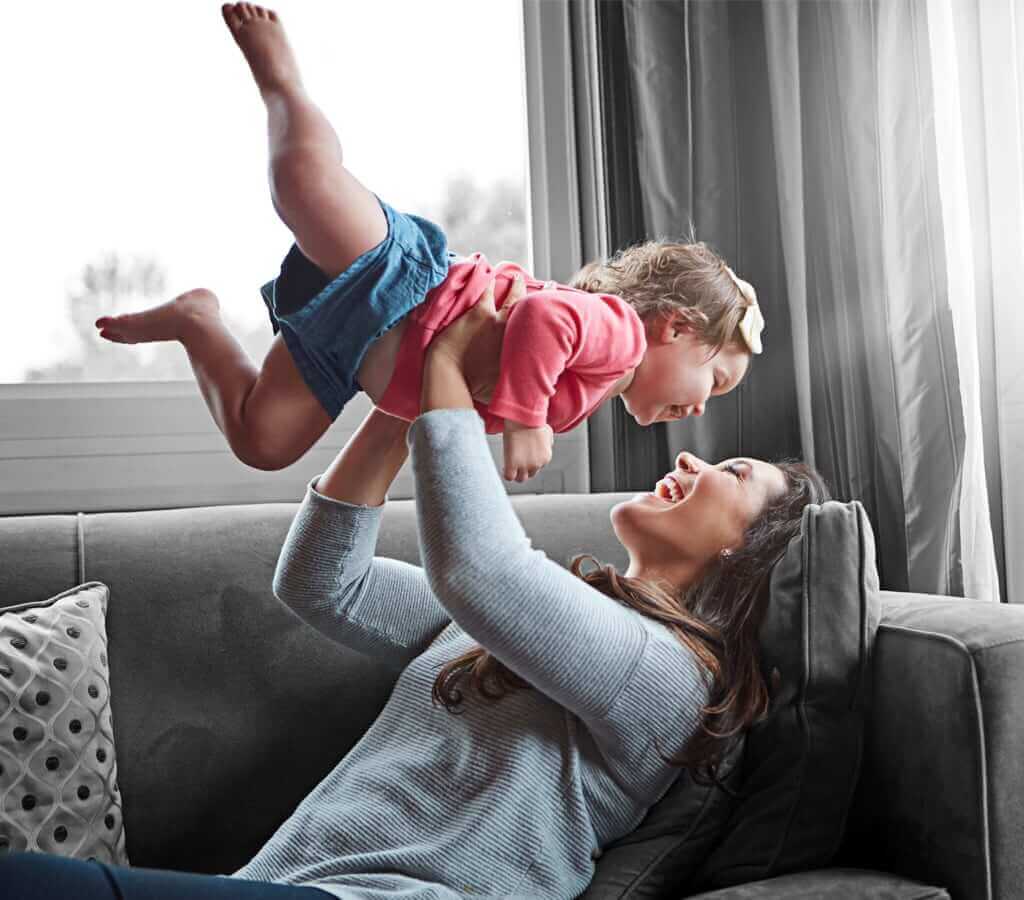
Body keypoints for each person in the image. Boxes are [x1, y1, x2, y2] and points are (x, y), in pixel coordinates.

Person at [1, 259, 829, 898]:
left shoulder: (674, 682)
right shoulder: (548, 615)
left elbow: (478, 571)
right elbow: (326, 583)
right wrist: (409, 393)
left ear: (746, 550)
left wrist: (445, 382)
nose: (692, 455)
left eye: (734, 470)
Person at [93, 2, 765, 483]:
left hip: (354, 358)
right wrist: (527, 420)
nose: (702, 406)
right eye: (716, 378)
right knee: (302, 183)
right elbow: (543, 317)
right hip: (404, 289)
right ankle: (283, 83)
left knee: (262, 443)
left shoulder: (591, 393)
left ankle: (197, 322)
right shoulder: (617, 335)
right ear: (676, 326)